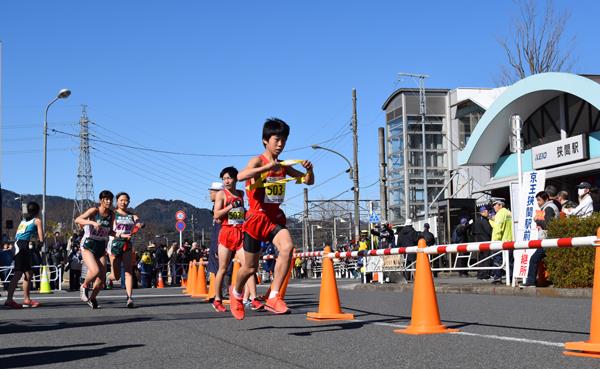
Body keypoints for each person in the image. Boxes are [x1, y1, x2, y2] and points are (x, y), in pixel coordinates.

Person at [229, 118, 314, 320]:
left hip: (273, 218)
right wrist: (264, 170)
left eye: (284, 140)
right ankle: (236, 292)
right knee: (249, 268)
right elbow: (240, 176)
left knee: (287, 247)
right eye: (277, 139)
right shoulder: (259, 161)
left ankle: (274, 296)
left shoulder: (283, 165)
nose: (280, 144)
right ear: (265, 140)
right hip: (256, 219)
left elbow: (307, 181)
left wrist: (309, 170)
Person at [212, 166, 263, 312]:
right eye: (224, 179)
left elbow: (240, 211)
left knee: (249, 266)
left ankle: (253, 298)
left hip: (240, 232)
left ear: (235, 179)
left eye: (229, 178)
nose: (226, 181)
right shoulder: (222, 194)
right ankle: (217, 299)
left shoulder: (241, 193)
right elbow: (216, 215)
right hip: (227, 233)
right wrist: (230, 206)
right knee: (222, 268)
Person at [75, 190, 116, 309]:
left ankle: (92, 298)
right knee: (95, 270)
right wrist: (92, 222)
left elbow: (111, 231)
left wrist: (121, 235)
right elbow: (78, 220)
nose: (108, 201)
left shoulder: (111, 215)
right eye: (106, 199)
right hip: (88, 245)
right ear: (101, 200)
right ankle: (84, 286)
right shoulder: (94, 211)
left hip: (101, 246)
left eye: (110, 199)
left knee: (101, 279)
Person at [4, 202, 44, 309]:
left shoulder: (23, 221)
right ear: (37, 211)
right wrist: (40, 244)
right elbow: (41, 238)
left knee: (28, 273)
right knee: (18, 274)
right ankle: (9, 300)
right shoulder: (37, 221)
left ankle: (27, 299)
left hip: (17, 245)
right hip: (22, 247)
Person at [106, 192, 143, 308]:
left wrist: (139, 224)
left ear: (129, 202)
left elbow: (139, 221)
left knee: (128, 271)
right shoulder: (112, 214)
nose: (123, 202)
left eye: (126, 200)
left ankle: (129, 298)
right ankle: (107, 277)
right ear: (117, 201)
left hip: (127, 245)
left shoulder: (131, 215)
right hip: (114, 245)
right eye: (121, 200)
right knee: (116, 276)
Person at [525, 191, 559, 287]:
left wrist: (537, 220)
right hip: (548, 239)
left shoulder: (548, 208)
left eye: (539, 200)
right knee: (548, 261)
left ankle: (530, 281)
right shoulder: (548, 207)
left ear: (546, 199)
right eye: (537, 200)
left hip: (547, 239)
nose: (538, 202)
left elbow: (548, 225)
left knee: (534, 259)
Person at [490, 198, 513, 284]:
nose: (494, 207)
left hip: (500, 242)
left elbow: (497, 229)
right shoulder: (509, 213)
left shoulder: (500, 214)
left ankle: (497, 278)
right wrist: (490, 219)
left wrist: (494, 242)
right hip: (510, 241)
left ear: (500, 205)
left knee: (497, 260)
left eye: (494, 205)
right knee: (510, 261)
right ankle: (511, 278)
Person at [207, 182, 224, 294]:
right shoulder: (215, 206)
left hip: (221, 240)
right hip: (215, 241)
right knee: (216, 269)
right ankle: (217, 292)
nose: (210, 194)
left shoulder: (224, 206)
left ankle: (224, 292)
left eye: (212, 192)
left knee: (222, 268)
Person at [468, 206, 493, 280]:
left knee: (481, 258)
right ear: (484, 212)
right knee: (486, 258)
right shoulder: (484, 220)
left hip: (479, 242)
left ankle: (480, 273)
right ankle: (485, 274)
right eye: (487, 211)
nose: (488, 213)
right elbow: (488, 231)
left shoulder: (477, 220)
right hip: (485, 241)